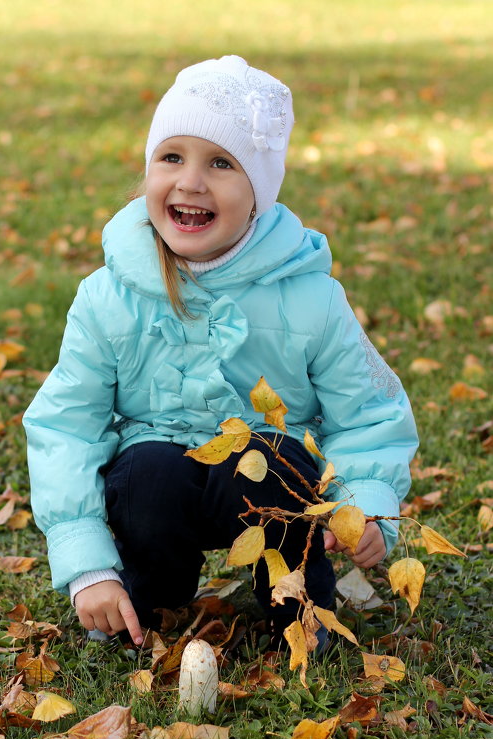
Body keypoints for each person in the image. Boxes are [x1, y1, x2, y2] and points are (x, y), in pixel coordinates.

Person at [23, 56, 418, 648]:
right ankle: (144, 593)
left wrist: (365, 502)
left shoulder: (310, 298)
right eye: (172, 156)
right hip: (159, 476)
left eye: (222, 163)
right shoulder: (109, 296)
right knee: (144, 474)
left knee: (275, 463)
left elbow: (368, 411)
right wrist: (85, 562)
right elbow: (67, 425)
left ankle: (300, 607)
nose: (190, 181)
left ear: (258, 193)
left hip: (269, 487)